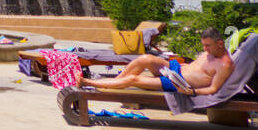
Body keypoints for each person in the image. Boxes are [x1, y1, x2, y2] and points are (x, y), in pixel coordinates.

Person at [82, 28, 235, 96]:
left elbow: (213, 89)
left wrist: (192, 92)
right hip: (176, 69)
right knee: (144, 59)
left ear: (220, 43)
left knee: (133, 79)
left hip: (178, 82)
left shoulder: (225, 65)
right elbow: (198, 66)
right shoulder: (211, 52)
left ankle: (87, 82)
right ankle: (113, 84)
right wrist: (187, 65)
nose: (205, 48)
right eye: (204, 45)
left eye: (208, 45)